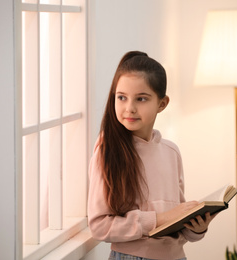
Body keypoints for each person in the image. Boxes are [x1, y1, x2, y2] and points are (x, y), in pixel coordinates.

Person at [87, 51, 217, 260]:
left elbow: (178, 226)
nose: (129, 108)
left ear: (162, 104)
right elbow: (99, 226)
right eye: (121, 97)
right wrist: (160, 218)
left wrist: (196, 229)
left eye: (141, 99)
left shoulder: (171, 152)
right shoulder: (107, 151)